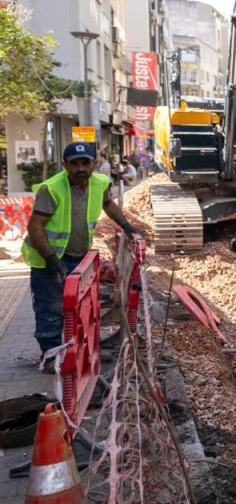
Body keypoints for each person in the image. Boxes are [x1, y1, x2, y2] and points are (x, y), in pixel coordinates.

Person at [23, 142, 141, 371]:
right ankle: (50, 358)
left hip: (79, 257)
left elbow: (107, 204)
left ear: (94, 163)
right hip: (47, 259)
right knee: (51, 309)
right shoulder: (52, 188)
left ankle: (80, 354)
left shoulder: (99, 183)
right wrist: (50, 257)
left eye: (85, 163)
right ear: (65, 165)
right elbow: (35, 225)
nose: (80, 168)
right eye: (74, 164)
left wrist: (126, 225)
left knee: (81, 308)